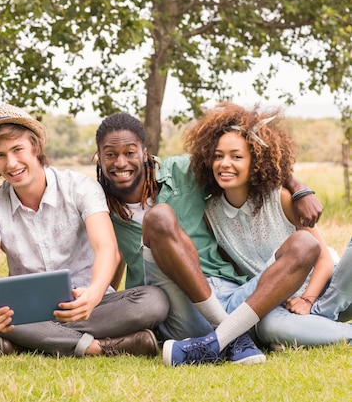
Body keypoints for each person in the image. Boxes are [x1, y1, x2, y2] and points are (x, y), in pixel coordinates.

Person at [94, 111, 322, 366]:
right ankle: (233, 337)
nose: (121, 162)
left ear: (144, 152)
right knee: (159, 217)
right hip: (178, 307)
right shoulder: (99, 206)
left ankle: (218, 339)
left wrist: (299, 187)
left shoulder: (182, 171)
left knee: (306, 244)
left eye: (129, 152)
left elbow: (248, 156)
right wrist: (107, 302)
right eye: (110, 154)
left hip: (231, 293)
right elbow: (110, 255)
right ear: (99, 157)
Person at [0, 103, 169, 357]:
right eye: (0, 155)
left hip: (90, 304)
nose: (11, 163)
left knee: (154, 301)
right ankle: (95, 347)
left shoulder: (80, 188)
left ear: (36, 148)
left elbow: (107, 250)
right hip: (28, 308)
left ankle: (29, 341)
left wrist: (92, 295)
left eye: (18, 150)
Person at [184, 101, 352, 346]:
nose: (225, 164)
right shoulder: (210, 216)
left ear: (255, 161)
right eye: (218, 156)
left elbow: (324, 259)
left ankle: (321, 316)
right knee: (269, 327)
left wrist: (308, 300)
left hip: (331, 288)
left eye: (236, 156)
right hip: (282, 306)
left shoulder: (281, 198)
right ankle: (322, 326)